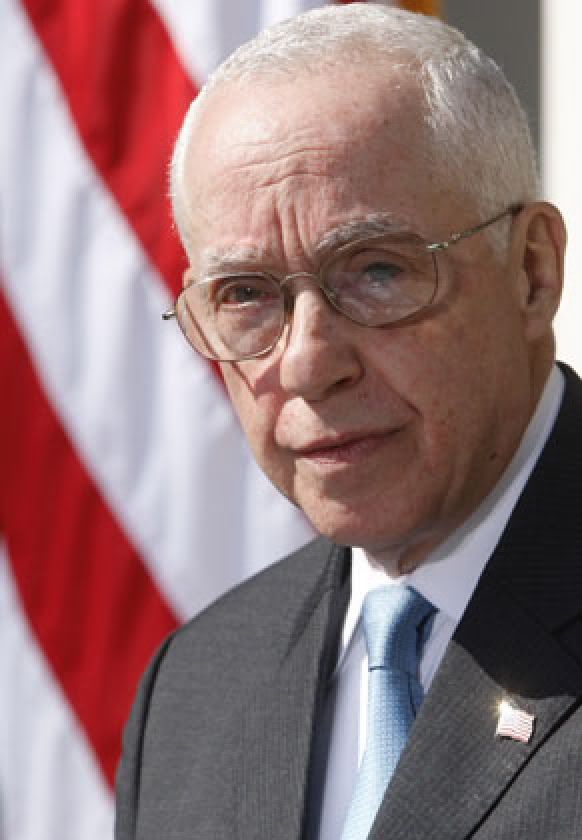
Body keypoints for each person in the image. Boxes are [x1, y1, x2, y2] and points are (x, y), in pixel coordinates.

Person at [115, 5, 582, 839]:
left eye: (376, 271)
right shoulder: (192, 693)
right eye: (245, 295)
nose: (306, 363)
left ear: (532, 273)